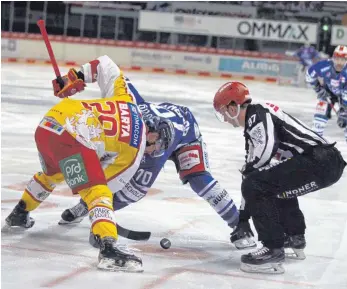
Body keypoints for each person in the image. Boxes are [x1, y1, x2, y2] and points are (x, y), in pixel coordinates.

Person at [3, 55, 173, 273]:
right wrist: (100, 215)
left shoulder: (126, 99)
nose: (154, 151)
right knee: (98, 192)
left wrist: (72, 78)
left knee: (53, 175)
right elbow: (105, 186)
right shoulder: (135, 151)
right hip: (71, 140)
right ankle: (109, 248)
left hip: (48, 125)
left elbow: (105, 64)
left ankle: (20, 212)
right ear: (152, 134)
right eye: (158, 145)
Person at [58, 67, 242, 248]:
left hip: (187, 135)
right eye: (153, 145)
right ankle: (85, 203)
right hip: (151, 123)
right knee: (108, 158)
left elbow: (132, 192)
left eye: (160, 147)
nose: (154, 151)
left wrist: (102, 211)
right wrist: (73, 77)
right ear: (145, 131)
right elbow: (104, 66)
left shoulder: (156, 153)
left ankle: (240, 225)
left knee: (199, 179)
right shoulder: (128, 103)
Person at [213, 81, 346, 274]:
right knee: (269, 185)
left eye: (223, 112)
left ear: (233, 107)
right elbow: (255, 171)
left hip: (321, 160)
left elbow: (263, 156)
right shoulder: (253, 125)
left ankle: (273, 249)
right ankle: (294, 236)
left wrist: (244, 217)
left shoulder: (258, 113)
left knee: (257, 184)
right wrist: (243, 219)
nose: (224, 119)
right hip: (327, 163)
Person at [306, 45, 347, 141]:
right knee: (318, 122)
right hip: (328, 93)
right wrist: (318, 89)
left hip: (345, 96)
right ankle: (315, 147)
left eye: (342, 60)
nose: (339, 63)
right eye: (337, 59)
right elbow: (309, 75)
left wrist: (344, 110)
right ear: (333, 58)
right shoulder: (324, 65)